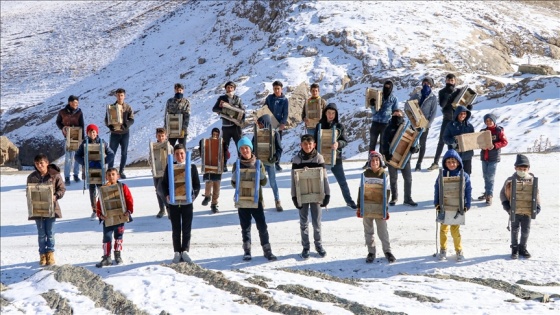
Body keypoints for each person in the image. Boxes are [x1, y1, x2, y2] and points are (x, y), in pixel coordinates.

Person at [231, 136, 277, 261]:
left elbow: (264, 182)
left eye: (246, 148)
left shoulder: (258, 163)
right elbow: (234, 184)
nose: (245, 151)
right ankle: (247, 250)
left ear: (250, 149)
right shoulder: (237, 164)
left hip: (257, 200)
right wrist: (235, 176)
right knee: (245, 227)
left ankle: (267, 250)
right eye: (242, 149)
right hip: (243, 200)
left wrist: (261, 174)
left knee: (262, 226)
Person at [291, 134, 330, 258]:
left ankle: (318, 245)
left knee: (316, 222)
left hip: (317, 194)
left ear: (314, 145)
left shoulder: (319, 158)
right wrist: (294, 196)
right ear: (301, 145)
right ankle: (305, 247)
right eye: (305, 144)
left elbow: (324, 178)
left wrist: (327, 194)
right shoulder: (296, 159)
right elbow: (293, 180)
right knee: (303, 222)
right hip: (301, 195)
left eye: (310, 144)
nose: (307, 146)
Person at [161, 144, 200, 263]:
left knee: (187, 228)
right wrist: (167, 195)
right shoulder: (170, 167)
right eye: (177, 154)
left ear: (185, 153)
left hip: (187, 204)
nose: (180, 156)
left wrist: (193, 196)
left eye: (182, 153)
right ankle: (177, 251)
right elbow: (164, 184)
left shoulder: (191, 167)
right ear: (174, 155)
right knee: (176, 229)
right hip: (174, 204)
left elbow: (197, 185)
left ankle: (185, 251)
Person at [314, 103, 358, 209]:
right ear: (325, 113)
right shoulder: (319, 125)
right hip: (321, 159)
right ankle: (318, 201)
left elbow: (345, 141)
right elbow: (315, 141)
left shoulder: (339, 126)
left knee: (342, 182)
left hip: (336, 158)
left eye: (333, 113)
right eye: (329, 113)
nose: (331, 115)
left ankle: (349, 201)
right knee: (319, 182)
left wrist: (338, 144)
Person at [356, 151, 396, 263]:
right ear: (369, 162)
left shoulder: (384, 175)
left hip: (379, 207)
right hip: (367, 205)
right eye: (372, 160)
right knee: (368, 230)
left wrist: (385, 209)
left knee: (382, 230)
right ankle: (371, 252)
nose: (374, 162)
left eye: (377, 160)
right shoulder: (365, 174)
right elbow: (360, 191)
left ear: (380, 162)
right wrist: (359, 207)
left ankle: (387, 251)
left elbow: (387, 193)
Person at [26, 154, 66, 266]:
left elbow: (62, 189)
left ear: (47, 163)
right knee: (41, 233)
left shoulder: (55, 175)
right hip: (37, 209)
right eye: (37, 164)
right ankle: (42, 254)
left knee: (50, 232)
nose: (39, 166)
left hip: (51, 208)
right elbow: (28, 192)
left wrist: (56, 196)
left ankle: (50, 253)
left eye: (41, 163)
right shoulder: (31, 177)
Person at [500, 154, 541, 259]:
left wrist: (537, 205)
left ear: (528, 169)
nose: (522, 170)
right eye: (520, 168)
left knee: (526, 230)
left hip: (527, 211)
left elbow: (537, 193)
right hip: (515, 210)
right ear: (515, 168)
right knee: (514, 229)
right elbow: (502, 193)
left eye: (524, 169)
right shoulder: (510, 179)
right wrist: (506, 205)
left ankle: (523, 247)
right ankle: (514, 247)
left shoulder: (531, 180)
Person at [434, 149, 472, 261]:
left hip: (457, 207)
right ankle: (443, 249)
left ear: (459, 163)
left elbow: (468, 190)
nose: (451, 164)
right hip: (444, 206)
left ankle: (459, 250)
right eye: (449, 162)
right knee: (443, 229)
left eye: (454, 162)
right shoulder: (442, 174)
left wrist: (467, 204)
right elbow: (437, 188)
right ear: (445, 163)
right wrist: (436, 202)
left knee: (455, 231)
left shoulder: (464, 175)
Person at [94, 168, 134, 267]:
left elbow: (129, 199)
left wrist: (129, 211)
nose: (111, 177)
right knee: (107, 237)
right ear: (106, 177)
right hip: (107, 218)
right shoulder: (103, 189)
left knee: (118, 236)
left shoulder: (122, 187)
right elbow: (99, 203)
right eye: (109, 175)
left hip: (120, 217)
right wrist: (100, 214)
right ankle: (107, 257)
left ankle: (117, 255)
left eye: (113, 174)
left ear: (118, 176)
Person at [75, 124, 115, 220]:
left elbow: (111, 153)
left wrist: (104, 160)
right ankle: (94, 210)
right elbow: (77, 156)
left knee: (101, 190)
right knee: (92, 191)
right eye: (90, 132)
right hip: (89, 171)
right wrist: (84, 162)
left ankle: (103, 209)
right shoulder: (84, 144)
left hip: (100, 170)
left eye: (93, 132)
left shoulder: (102, 142)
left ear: (97, 133)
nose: (92, 134)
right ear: (87, 133)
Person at [381, 109, 419, 206]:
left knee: (408, 178)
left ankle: (407, 198)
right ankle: (394, 197)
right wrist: (386, 153)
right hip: (392, 157)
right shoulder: (388, 128)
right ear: (392, 116)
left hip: (405, 158)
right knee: (393, 178)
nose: (397, 117)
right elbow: (383, 142)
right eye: (395, 115)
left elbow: (416, 142)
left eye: (399, 115)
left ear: (402, 116)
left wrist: (415, 149)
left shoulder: (408, 128)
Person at [428, 74, 460, 171]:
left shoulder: (458, 92)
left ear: (455, 81)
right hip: (446, 119)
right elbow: (442, 104)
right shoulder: (442, 92)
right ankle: (435, 162)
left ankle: (455, 162)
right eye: (448, 80)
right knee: (442, 141)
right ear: (445, 81)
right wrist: (448, 94)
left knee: (455, 142)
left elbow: (463, 103)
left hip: (456, 120)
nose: (450, 81)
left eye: (452, 80)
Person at [364, 80, 399, 169]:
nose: (387, 88)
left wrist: (395, 123)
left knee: (383, 144)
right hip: (375, 122)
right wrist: (372, 105)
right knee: (372, 143)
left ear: (391, 88)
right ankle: (369, 162)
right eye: (385, 86)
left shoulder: (394, 99)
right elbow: (374, 111)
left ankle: (381, 162)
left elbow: (395, 111)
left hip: (386, 124)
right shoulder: (378, 95)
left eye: (389, 87)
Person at [212, 81, 245, 172]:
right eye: (228, 88)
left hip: (236, 127)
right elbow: (214, 109)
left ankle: (242, 163)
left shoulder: (238, 99)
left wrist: (241, 121)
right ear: (225, 89)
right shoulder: (221, 98)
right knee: (224, 147)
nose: (229, 89)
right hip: (226, 126)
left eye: (231, 88)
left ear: (234, 89)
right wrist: (224, 109)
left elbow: (243, 111)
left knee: (240, 145)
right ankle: (224, 164)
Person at [253, 114, 283, 211]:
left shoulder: (275, 134)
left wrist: (275, 158)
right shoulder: (257, 134)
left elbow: (279, 149)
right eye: (258, 125)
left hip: (270, 163)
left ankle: (277, 200)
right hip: (259, 163)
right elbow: (252, 147)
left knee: (273, 182)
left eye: (260, 124)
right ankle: (260, 201)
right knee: (259, 182)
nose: (259, 126)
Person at [477, 113, 508, 206]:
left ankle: (489, 195)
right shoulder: (483, 131)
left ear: (493, 121)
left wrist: (495, 146)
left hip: (493, 157)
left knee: (490, 176)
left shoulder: (499, 130)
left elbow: (504, 142)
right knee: (485, 175)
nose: (488, 122)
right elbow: (478, 142)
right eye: (486, 121)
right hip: (484, 156)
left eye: (490, 120)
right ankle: (487, 192)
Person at [408, 77, 438, 171]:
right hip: (414, 122)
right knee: (410, 142)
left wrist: (428, 124)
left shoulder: (433, 98)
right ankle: (407, 161)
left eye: (428, 83)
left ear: (431, 85)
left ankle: (419, 163)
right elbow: (408, 104)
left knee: (422, 143)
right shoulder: (417, 94)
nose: (426, 84)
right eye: (424, 82)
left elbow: (433, 112)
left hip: (424, 124)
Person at [105, 88, 134, 178]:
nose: (120, 97)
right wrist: (110, 126)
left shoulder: (128, 107)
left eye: (121, 95)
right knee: (111, 153)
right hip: (114, 134)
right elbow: (106, 119)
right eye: (118, 95)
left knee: (124, 153)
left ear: (124, 96)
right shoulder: (111, 107)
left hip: (125, 133)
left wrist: (126, 125)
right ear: (116, 96)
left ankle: (121, 171)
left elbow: (132, 119)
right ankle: (110, 171)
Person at [55, 95, 85, 185]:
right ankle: (67, 177)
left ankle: (76, 175)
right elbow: (58, 122)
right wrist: (63, 127)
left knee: (77, 157)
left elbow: (82, 125)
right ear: (69, 102)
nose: (76, 104)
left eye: (77, 102)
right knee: (68, 158)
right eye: (74, 102)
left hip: (77, 136)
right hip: (67, 137)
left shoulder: (79, 112)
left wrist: (82, 138)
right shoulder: (62, 112)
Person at [199, 128, 225, 214]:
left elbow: (226, 154)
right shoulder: (207, 142)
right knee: (208, 183)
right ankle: (207, 196)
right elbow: (201, 151)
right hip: (208, 166)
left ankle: (214, 204)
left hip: (218, 167)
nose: (215, 136)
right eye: (214, 134)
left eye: (217, 134)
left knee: (216, 187)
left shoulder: (222, 143)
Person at [264, 80, 289, 171]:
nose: (276, 90)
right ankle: (267, 163)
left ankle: (277, 163)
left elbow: (285, 113)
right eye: (275, 89)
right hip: (268, 125)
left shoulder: (284, 100)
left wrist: (283, 123)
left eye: (278, 88)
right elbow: (264, 109)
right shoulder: (269, 98)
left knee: (277, 145)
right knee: (267, 144)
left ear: (281, 89)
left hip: (278, 125)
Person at [443, 105, 474, 175]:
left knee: (467, 174)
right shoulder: (450, 125)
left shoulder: (469, 126)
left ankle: (466, 186)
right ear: (457, 114)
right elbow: (445, 138)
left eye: (464, 114)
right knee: (455, 175)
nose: (463, 115)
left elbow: (473, 139)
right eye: (461, 114)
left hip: (467, 155)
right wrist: (453, 141)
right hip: (455, 156)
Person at [150, 128, 173, 218]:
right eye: (159, 136)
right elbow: (150, 157)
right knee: (157, 190)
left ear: (165, 136)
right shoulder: (153, 146)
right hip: (156, 172)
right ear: (156, 136)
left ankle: (168, 207)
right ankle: (161, 209)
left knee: (161, 189)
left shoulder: (169, 147)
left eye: (162, 136)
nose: (161, 137)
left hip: (165, 172)